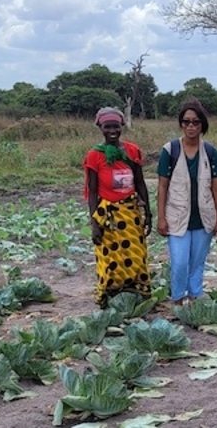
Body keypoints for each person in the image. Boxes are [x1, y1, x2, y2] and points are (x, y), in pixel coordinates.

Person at [156, 99, 217, 306]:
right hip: (177, 217)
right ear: (181, 124)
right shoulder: (170, 151)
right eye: (186, 122)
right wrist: (161, 217)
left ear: (202, 125)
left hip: (203, 218)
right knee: (179, 262)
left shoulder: (211, 153)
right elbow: (162, 186)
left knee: (197, 263)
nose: (191, 126)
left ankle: (195, 299)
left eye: (195, 122)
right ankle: (177, 300)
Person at [84, 107, 152, 308]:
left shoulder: (132, 150)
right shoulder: (94, 155)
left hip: (130, 212)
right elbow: (93, 191)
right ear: (100, 128)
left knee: (136, 254)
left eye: (116, 126)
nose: (112, 131)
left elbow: (140, 183)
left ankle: (136, 294)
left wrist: (147, 212)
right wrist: (95, 222)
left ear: (122, 126)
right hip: (108, 215)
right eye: (107, 127)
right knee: (110, 257)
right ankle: (110, 297)